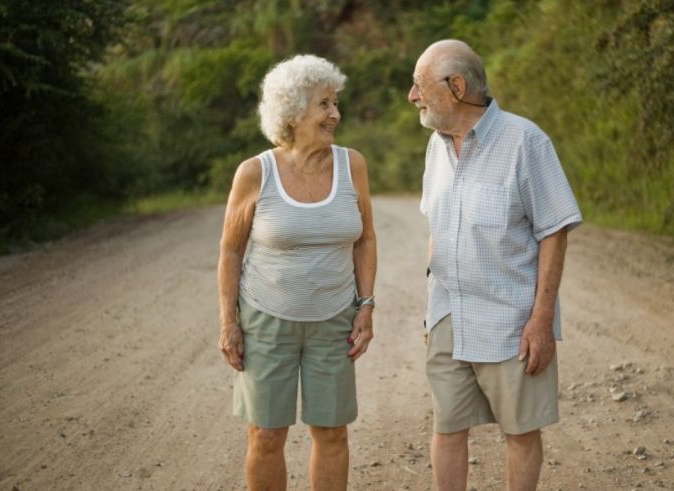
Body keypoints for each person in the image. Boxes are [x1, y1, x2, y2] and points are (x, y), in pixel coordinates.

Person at [409, 40, 582, 491]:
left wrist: (541, 320)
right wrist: (432, 309)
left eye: (420, 85)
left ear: (457, 87)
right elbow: (436, 226)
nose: (413, 96)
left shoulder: (526, 142)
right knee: (446, 427)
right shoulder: (435, 147)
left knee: (521, 431)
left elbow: (554, 231)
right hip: (449, 312)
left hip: (511, 320)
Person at [217, 54, 376, 491]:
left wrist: (366, 306)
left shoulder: (353, 165)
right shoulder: (255, 173)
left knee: (331, 431)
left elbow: (365, 239)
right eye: (325, 104)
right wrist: (229, 322)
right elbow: (231, 250)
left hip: (334, 321)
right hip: (266, 322)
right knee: (266, 435)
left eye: (336, 103)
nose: (336, 114)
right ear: (293, 112)